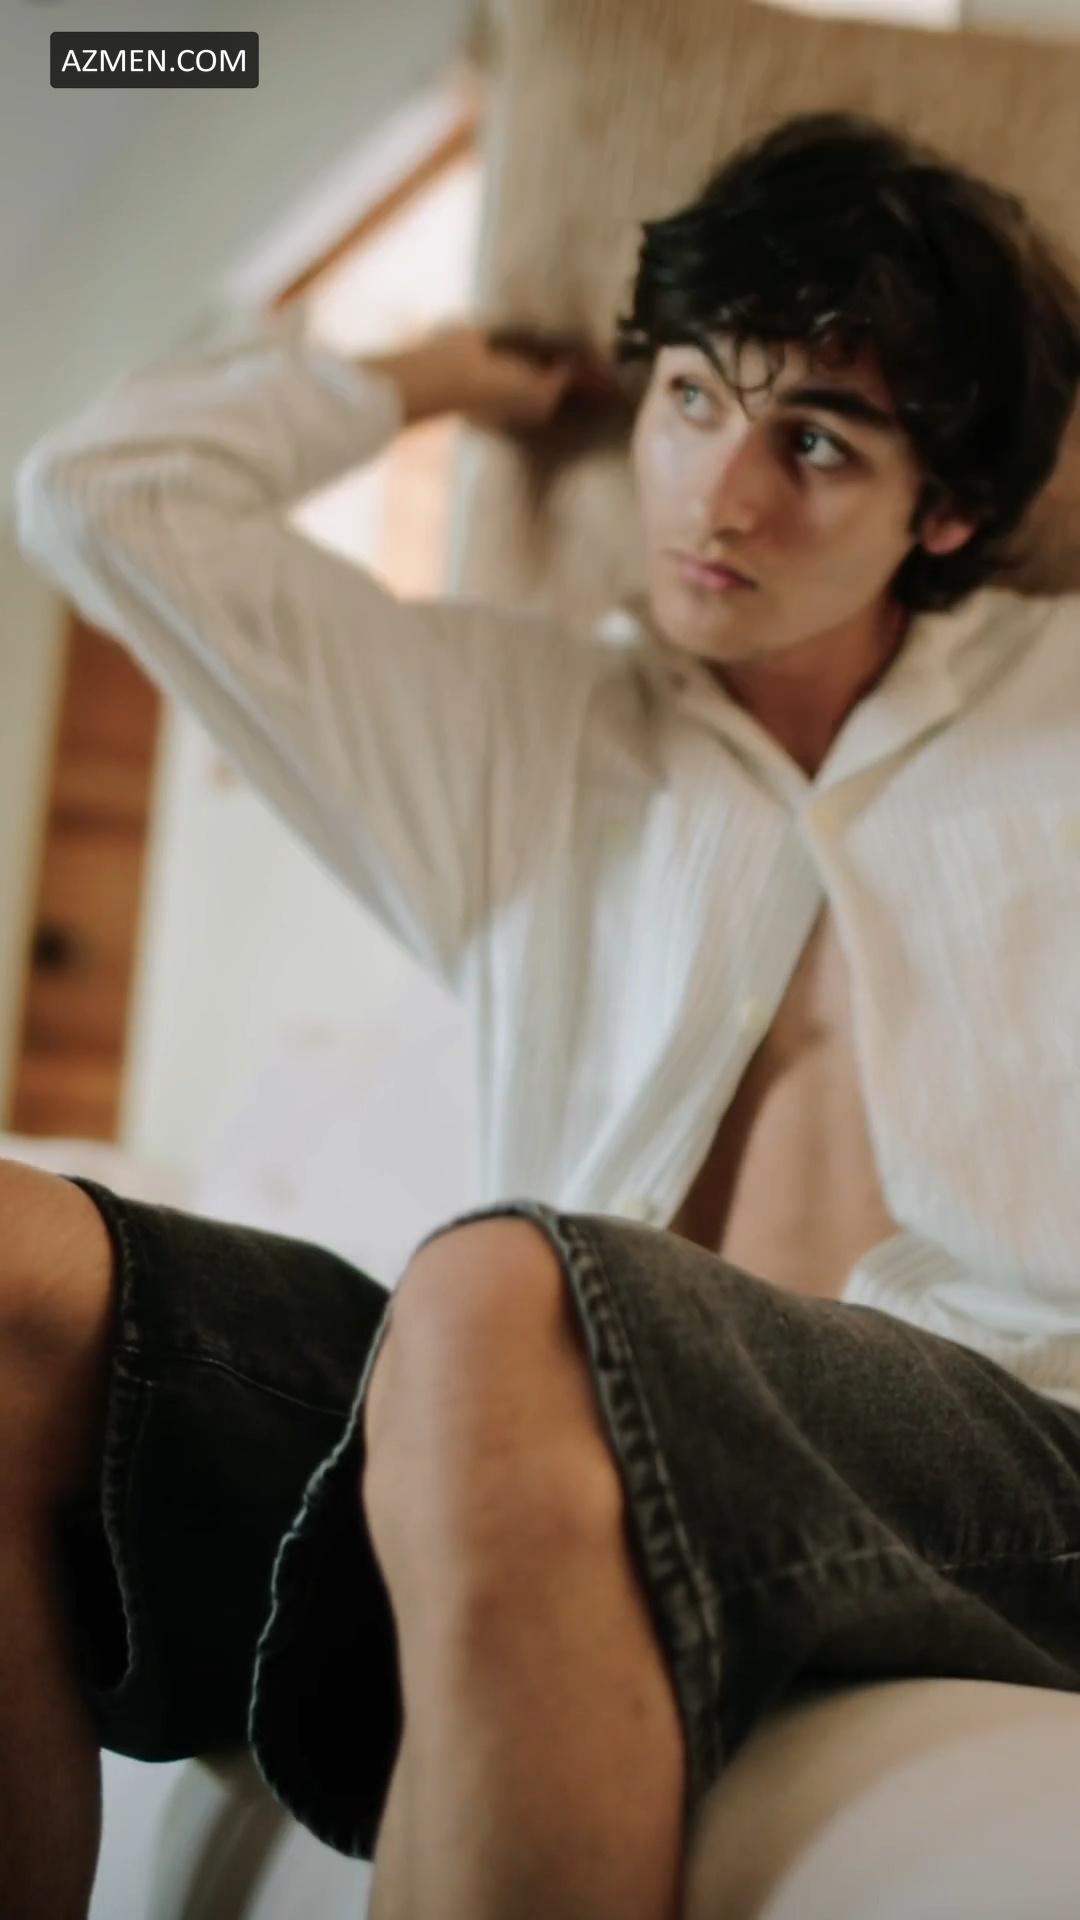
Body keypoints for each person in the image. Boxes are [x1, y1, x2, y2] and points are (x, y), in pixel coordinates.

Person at [11, 108, 1080, 1920]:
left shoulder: (1061, 712)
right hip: (517, 1418)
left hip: (1000, 1455)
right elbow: (95, 496)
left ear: (950, 509)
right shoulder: (524, 738)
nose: (718, 497)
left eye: (817, 442)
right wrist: (427, 374)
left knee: (505, 1285)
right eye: (691, 397)